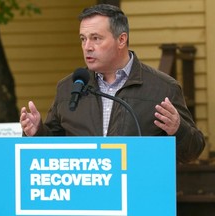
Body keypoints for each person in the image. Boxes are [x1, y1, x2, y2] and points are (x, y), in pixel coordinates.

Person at [20, 4, 205, 163]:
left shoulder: (163, 88)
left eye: (96, 38)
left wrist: (178, 130)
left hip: (137, 196)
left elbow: (192, 152)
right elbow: (54, 147)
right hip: (84, 196)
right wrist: (37, 131)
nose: (87, 47)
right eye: (83, 39)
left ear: (121, 40)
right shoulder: (69, 87)